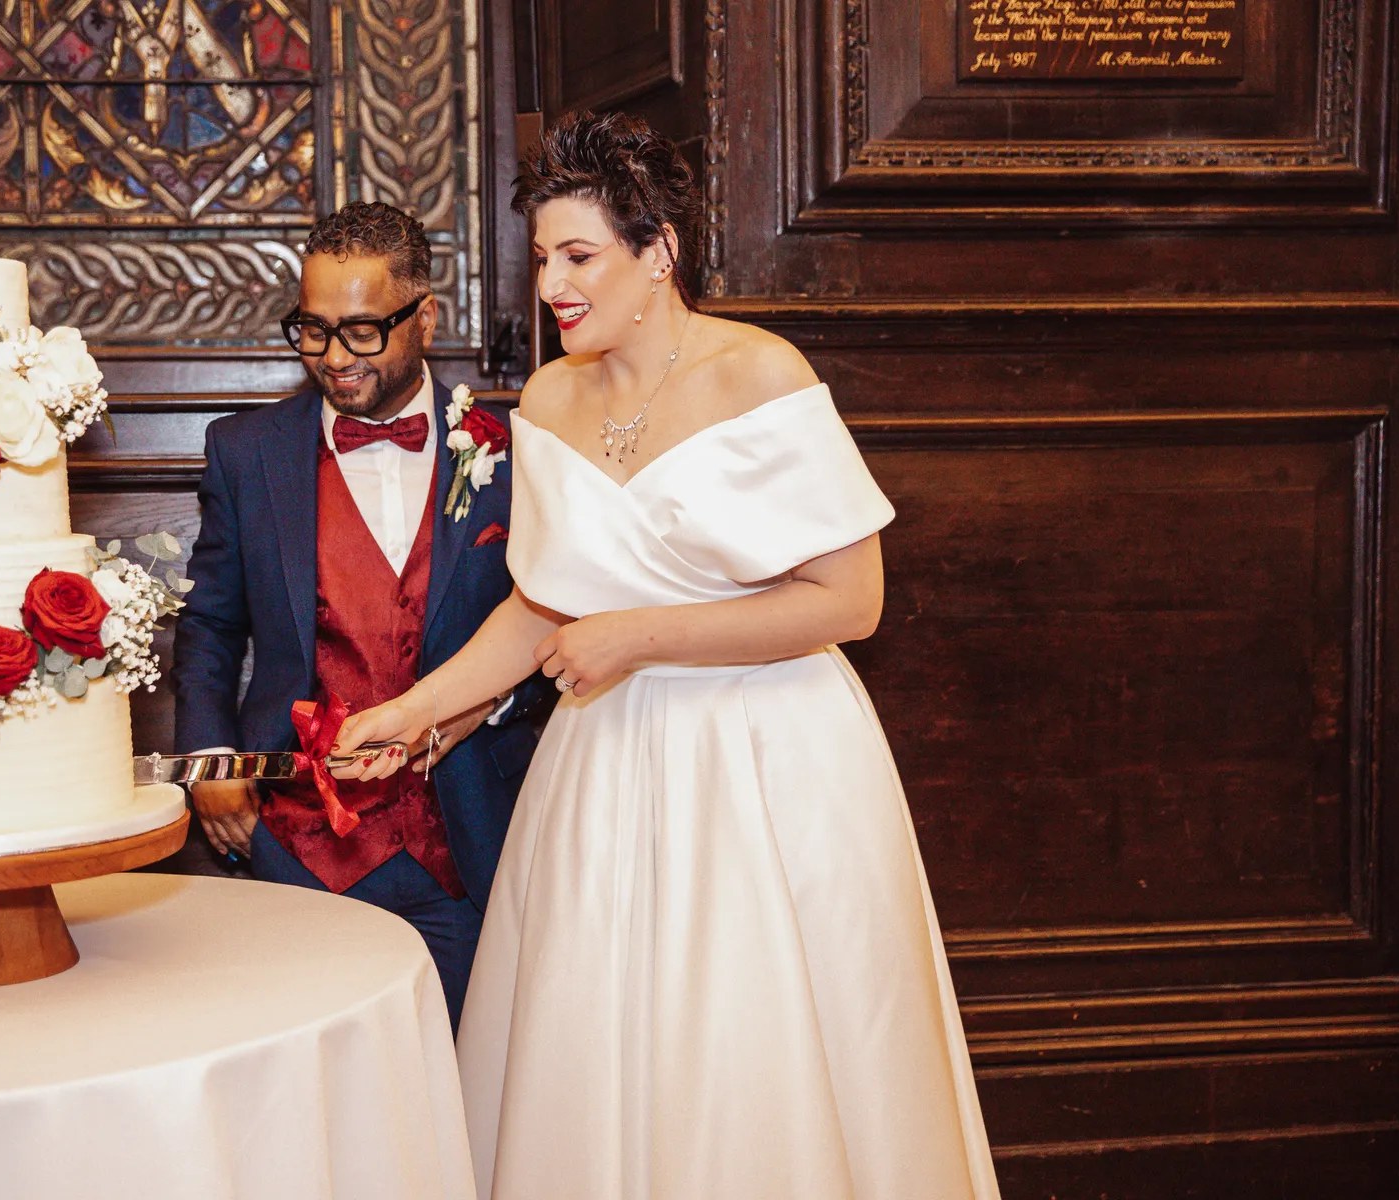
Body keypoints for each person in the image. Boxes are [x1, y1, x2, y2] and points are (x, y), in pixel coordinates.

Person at [331, 114, 1001, 1198]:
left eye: (580, 256)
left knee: (751, 1038)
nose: (552, 283)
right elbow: (543, 607)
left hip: (769, 756)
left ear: (659, 255)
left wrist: (644, 636)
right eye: (542, 257)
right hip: (607, 767)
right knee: (599, 1039)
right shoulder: (548, 400)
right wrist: (417, 711)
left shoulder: (760, 376)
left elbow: (853, 600)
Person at [172, 201, 548, 1029]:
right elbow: (209, 627)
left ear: (427, 318)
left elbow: (553, 623)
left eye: (363, 330)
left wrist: (496, 702)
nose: (335, 358)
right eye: (311, 330)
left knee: (462, 1098)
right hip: (296, 847)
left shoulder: (518, 448)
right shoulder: (246, 451)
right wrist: (210, 764)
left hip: (471, 837)